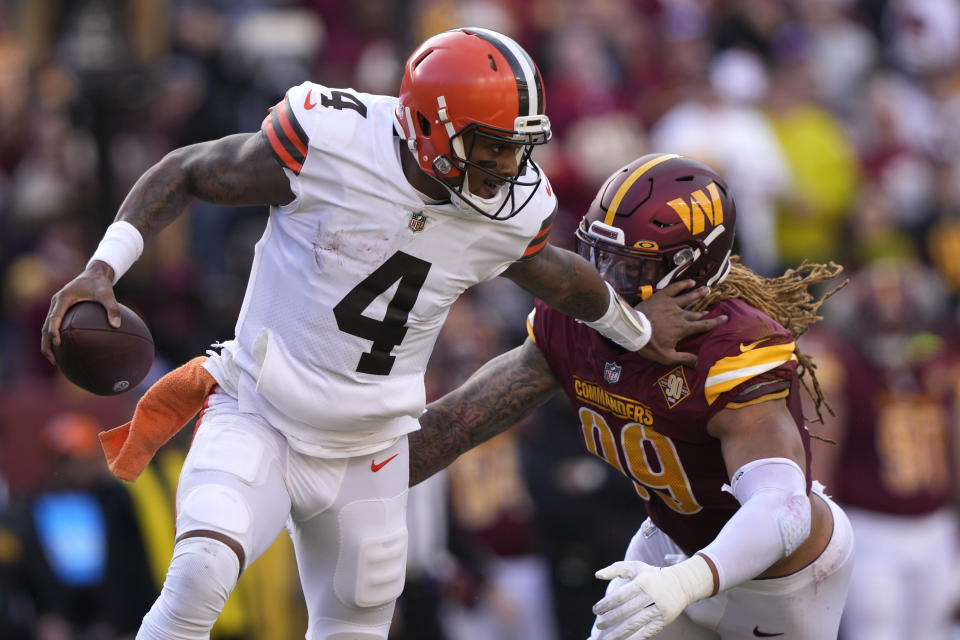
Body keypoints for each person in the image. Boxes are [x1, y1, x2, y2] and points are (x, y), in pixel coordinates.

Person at [39, 28, 723, 640]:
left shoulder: (509, 213)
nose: (511, 167)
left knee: (356, 629)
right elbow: (187, 170)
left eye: (520, 148)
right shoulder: (330, 140)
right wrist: (102, 269)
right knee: (201, 573)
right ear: (433, 128)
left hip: (371, 447)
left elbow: (563, 279)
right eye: (494, 147)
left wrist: (635, 327)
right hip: (262, 411)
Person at [408, 153, 856, 640]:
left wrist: (685, 583)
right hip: (671, 541)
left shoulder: (730, 346)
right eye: (596, 254)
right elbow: (460, 422)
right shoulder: (577, 319)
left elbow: (782, 507)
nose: (601, 277)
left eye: (625, 266)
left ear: (686, 268)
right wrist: (355, 477)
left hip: (774, 576)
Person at [802, 258, 960, 640]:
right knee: (876, 630)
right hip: (869, 529)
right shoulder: (841, 370)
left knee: (936, 631)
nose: (891, 330)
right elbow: (822, 460)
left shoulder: (938, 369)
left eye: (898, 320)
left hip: (937, 526)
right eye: (881, 320)